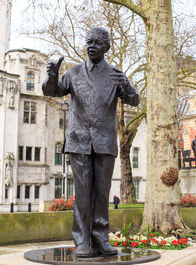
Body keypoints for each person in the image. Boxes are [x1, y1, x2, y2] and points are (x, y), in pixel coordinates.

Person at [42, 27, 140, 258]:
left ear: (107, 46)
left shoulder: (116, 74)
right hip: (79, 141)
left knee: (102, 194)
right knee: (83, 193)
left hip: (105, 143)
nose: (92, 46)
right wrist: (53, 75)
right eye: (89, 42)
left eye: (97, 42)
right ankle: (82, 241)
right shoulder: (74, 73)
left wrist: (126, 84)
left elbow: (134, 100)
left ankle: (101, 238)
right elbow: (52, 91)